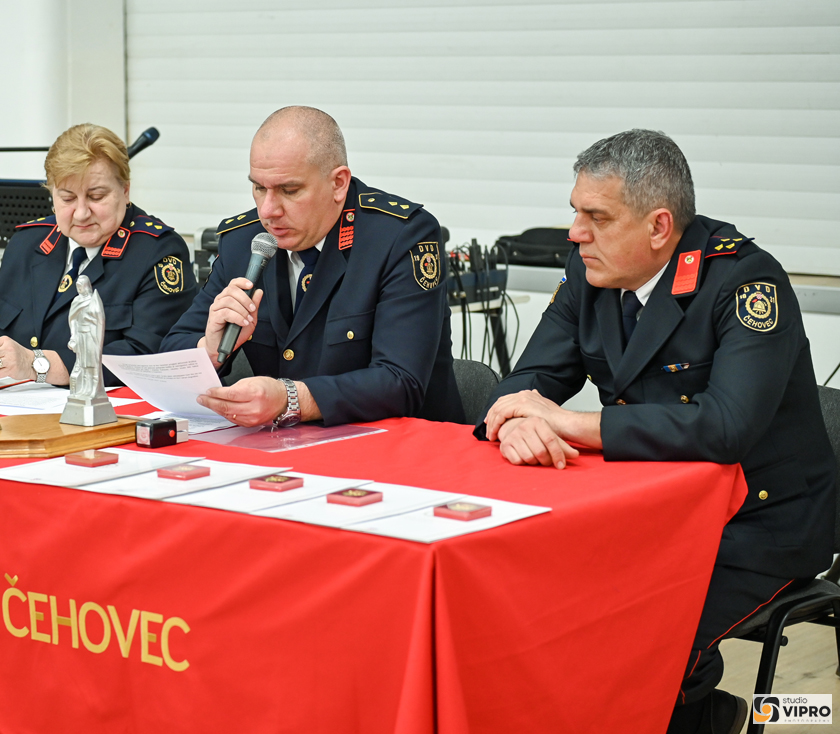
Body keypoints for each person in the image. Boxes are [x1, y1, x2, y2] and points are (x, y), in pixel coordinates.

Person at [476, 129, 836, 734]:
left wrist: (569, 423)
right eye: (575, 212)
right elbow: (527, 381)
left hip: (757, 523)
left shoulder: (745, 281)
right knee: (542, 605)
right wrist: (516, 423)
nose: (575, 233)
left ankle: (709, 716)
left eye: (596, 217)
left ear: (659, 226)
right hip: (650, 513)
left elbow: (725, 427)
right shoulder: (590, 271)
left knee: (640, 635)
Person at [161, 106, 462, 427]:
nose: (268, 210)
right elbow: (169, 352)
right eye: (259, 188)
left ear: (338, 184)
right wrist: (208, 349)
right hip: (286, 445)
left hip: (398, 442)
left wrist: (291, 399)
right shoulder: (244, 240)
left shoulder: (399, 237)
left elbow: (401, 381)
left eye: (289, 190)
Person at [0, 123, 195, 386]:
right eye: (67, 198)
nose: (82, 213)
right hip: (14, 406)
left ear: (125, 190)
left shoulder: (157, 252)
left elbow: (148, 358)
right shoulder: (28, 243)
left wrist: (37, 365)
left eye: (96, 196)